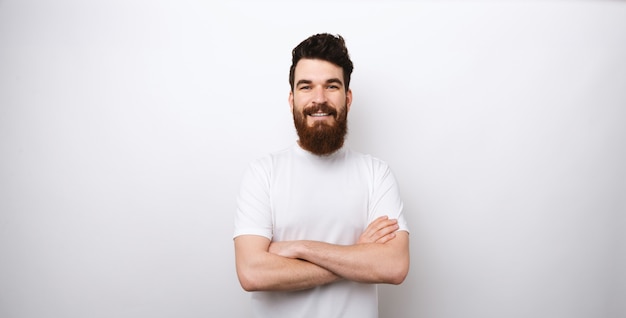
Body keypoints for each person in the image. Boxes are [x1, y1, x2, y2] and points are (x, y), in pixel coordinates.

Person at [233, 33, 410, 318]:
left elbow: (393, 266)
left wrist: (299, 248)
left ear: (347, 98)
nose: (319, 99)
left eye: (331, 86)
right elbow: (252, 273)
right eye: (306, 87)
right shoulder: (262, 173)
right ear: (291, 99)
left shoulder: (376, 174)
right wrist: (357, 255)